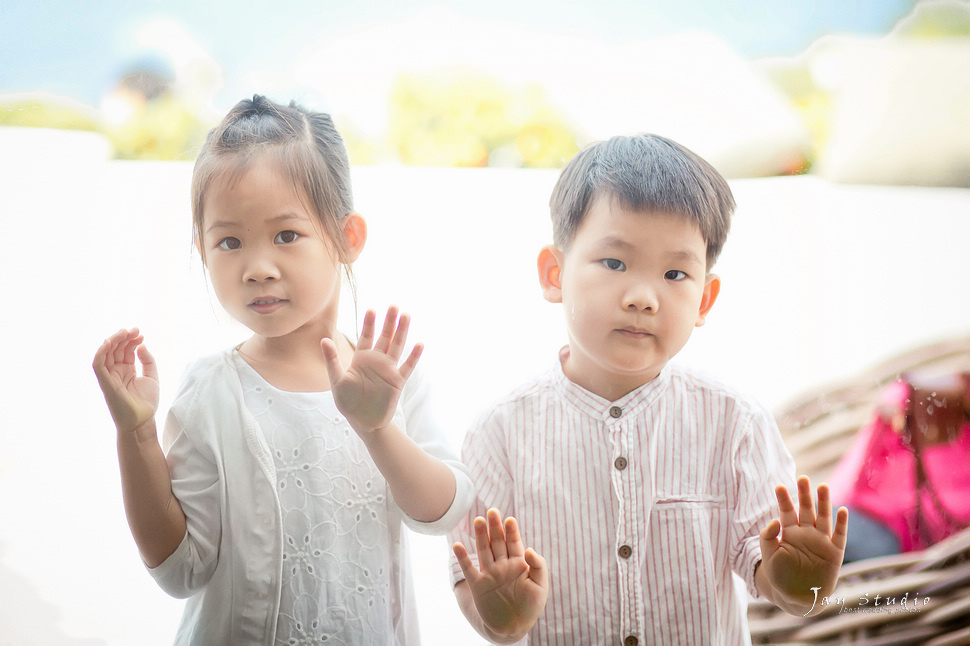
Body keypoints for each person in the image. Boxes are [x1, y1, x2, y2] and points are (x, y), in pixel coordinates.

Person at [92, 95, 474, 645]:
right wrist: (136, 434)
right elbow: (181, 569)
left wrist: (378, 427)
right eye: (230, 242)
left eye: (286, 235)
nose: (258, 267)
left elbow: (443, 512)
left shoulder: (390, 377)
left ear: (347, 238)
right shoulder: (212, 393)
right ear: (202, 251)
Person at [448, 134, 849, 644]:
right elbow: (473, 582)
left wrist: (800, 586)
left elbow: (783, 587)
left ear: (705, 299)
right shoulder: (500, 433)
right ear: (555, 274)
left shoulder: (735, 423)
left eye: (675, 273)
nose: (643, 297)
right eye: (614, 263)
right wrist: (500, 617)